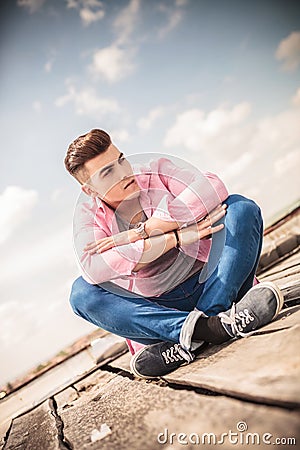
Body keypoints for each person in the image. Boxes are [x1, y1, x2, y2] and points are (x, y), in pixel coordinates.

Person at [64, 129, 283, 379]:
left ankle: (196, 333)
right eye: (108, 172)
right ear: (90, 191)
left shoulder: (155, 169)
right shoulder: (88, 216)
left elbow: (212, 186)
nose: (125, 171)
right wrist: (175, 237)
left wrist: (148, 229)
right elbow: (93, 266)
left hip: (216, 282)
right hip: (161, 310)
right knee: (81, 294)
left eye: (121, 160)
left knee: (240, 208)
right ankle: (211, 325)